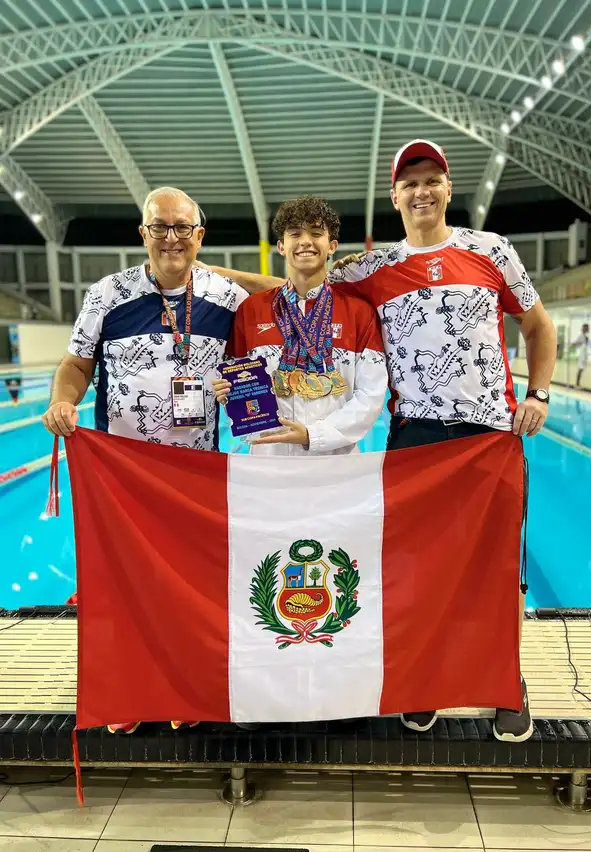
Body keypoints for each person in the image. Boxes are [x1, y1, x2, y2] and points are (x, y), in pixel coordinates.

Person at [199, 139, 557, 743]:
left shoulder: (491, 250)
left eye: (431, 179)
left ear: (447, 188)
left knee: (494, 567)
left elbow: (538, 324)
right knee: (418, 568)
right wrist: (211, 274)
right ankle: (425, 682)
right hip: (415, 434)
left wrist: (539, 394)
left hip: (488, 435)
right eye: (409, 183)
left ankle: (506, 684)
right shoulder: (374, 268)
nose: (421, 192)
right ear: (395, 196)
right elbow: (299, 283)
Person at [42, 186, 264, 734]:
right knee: (123, 584)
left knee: (188, 586)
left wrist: (214, 272)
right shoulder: (108, 294)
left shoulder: (225, 296)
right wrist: (62, 401)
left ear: (199, 235)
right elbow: (76, 365)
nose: (171, 238)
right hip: (123, 472)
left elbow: (282, 300)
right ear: (143, 233)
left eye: (182, 228)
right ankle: (126, 692)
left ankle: (183, 689)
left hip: (194, 473)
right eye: (160, 227)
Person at [212, 196, 387, 457]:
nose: (305, 241)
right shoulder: (251, 310)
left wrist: (314, 435)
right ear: (281, 246)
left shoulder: (359, 313)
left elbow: (371, 394)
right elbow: (237, 381)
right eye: (295, 233)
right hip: (270, 461)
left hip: (336, 464)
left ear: (332, 246)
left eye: (316, 233)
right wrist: (230, 393)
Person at [571, 323, 590, 388]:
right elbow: (576, 343)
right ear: (584, 328)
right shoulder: (581, 335)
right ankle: (577, 383)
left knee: (582, 369)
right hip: (582, 355)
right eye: (587, 328)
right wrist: (573, 344)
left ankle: (578, 383)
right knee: (580, 368)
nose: (588, 329)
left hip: (584, 354)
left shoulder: (585, 336)